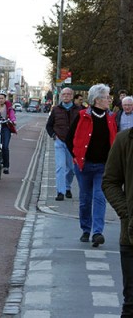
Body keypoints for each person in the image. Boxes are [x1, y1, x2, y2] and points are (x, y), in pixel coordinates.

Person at [66, 83, 117, 247]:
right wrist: (76, 156)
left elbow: (114, 141)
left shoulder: (110, 118)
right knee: (85, 199)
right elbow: (69, 139)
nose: (109, 100)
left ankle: (97, 232)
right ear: (97, 99)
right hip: (84, 166)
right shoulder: (82, 116)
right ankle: (86, 229)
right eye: (106, 97)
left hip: (103, 166)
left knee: (100, 198)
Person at [103, 126, 133, 316]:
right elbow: (110, 181)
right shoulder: (125, 140)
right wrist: (127, 213)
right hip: (131, 237)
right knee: (131, 304)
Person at [45, 87, 81, 202]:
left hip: (73, 143)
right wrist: (54, 136)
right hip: (60, 141)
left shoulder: (79, 110)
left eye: (68, 94)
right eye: (64, 94)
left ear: (72, 96)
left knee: (71, 168)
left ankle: (67, 186)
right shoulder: (56, 109)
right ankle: (60, 191)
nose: (66, 96)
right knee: (60, 167)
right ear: (61, 96)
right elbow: (49, 126)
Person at [0, 90, 16, 174]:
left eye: (2, 98)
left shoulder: (9, 107)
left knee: (5, 147)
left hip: (6, 127)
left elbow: (12, 115)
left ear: (5, 99)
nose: (0, 100)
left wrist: (13, 121)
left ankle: (6, 166)